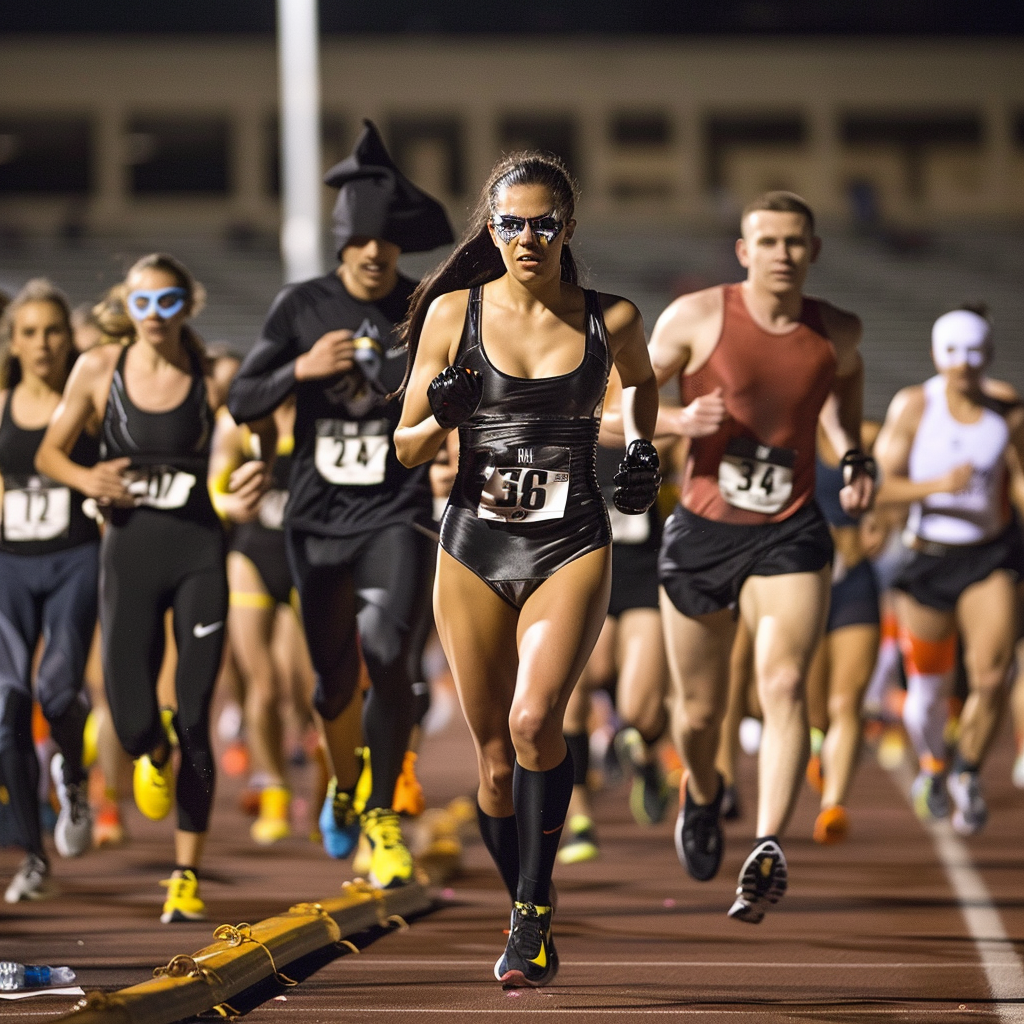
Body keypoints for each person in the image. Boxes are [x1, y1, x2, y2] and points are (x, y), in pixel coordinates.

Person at [394, 150, 660, 987]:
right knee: (495, 766)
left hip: (570, 540)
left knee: (536, 720)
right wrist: (439, 415)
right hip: (474, 542)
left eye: (545, 222)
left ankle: (534, 910)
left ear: (568, 228)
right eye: (512, 223)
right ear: (492, 229)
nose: (529, 237)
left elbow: (642, 385)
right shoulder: (452, 315)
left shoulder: (610, 319)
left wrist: (642, 445)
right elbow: (401, 448)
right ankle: (527, 914)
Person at [228, 121, 453, 888]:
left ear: (398, 249)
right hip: (315, 520)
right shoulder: (300, 307)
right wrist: (301, 367)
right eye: (362, 247)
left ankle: (384, 817)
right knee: (331, 684)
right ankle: (341, 778)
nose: (375, 256)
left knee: (388, 656)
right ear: (341, 249)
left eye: (388, 245)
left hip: (396, 513)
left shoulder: (425, 308)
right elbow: (239, 398)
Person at [648, 191, 874, 923]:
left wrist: (854, 452)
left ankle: (770, 842)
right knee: (701, 714)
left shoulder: (836, 329)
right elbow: (616, 405)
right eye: (767, 241)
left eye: (794, 242)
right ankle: (704, 794)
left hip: (791, 529)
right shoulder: (697, 317)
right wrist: (681, 419)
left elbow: (841, 386)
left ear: (813, 253)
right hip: (704, 530)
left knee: (783, 683)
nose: (781, 253)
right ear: (745, 251)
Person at [37, 253, 232, 922]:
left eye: (168, 304)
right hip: (129, 554)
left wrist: (250, 471)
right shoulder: (100, 370)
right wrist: (86, 478)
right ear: (129, 306)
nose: (155, 317)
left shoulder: (211, 376)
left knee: (198, 715)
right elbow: (50, 451)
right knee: (128, 719)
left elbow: (252, 442)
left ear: (187, 306)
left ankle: (186, 871)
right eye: (143, 304)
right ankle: (151, 750)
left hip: (200, 552)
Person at [874, 305, 1024, 834]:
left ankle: (968, 773)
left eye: (975, 351)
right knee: (929, 693)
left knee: (992, 672)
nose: (964, 363)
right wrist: (936, 487)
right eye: (953, 351)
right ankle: (933, 765)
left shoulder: (1007, 408)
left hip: (990, 555)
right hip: (928, 558)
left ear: (989, 353)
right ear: (938, 353)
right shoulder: (915, 406)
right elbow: (880, 485)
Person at [0, 280, 99, 902]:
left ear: (70, 338)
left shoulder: (88, 402)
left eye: (53, 331)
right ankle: (33, 857)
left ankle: (74, 777)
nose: (42, 344)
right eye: (29, 332)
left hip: (74, 560)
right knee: (7, 703)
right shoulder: (2, 404)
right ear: (13, 342)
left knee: (57, 689)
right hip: (10, 566)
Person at [804, 424, 881, 844]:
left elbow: (896, 477)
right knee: (815, 711)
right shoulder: (785, 429)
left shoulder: (863, 435)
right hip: (800, 582)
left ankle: (833, 805)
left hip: (853, 580)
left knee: (846, 700)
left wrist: (884, 518)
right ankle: (820, 752)